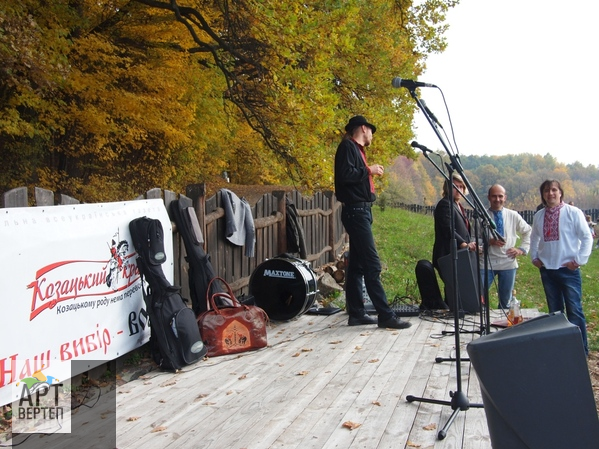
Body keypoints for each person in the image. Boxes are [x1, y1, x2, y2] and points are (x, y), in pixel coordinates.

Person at [334, 115, 411, 329]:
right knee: (372, 264)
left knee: (357, 266)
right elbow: (345, 175)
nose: (372, 137)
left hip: (361, 211)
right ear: (363, 128)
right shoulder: (348, 147)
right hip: (356, 211)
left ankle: (357, 313)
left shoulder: (356, 149)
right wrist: (370, 170)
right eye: (371, 132)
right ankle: (385, 315)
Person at [530, 180, 593, 355]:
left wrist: (579, 260)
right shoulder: (539, 216)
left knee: (575, 310)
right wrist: (534, 257)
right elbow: (534, 238)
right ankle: (559, 349)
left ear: (560, 193)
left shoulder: (573, 212)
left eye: (554, 190)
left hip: (568, 270)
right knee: (555, 312)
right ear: (542, 194)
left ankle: (580, 350)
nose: (550, 193)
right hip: (548, 270)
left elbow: (587, 237)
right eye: (546, 191)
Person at [479, 184, 532, 309]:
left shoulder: (513, 215)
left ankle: (503, 326)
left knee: (506, 302)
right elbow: (473, 239)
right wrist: (488, 242)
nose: (497, 199)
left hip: (508, 262)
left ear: (505, 197)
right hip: (486, 262)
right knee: (479, 297)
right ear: (489, 197)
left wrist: (521, 249)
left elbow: (528, 231)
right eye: (494, 196)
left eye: (500, 196)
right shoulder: (481, 217)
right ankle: (483, 325)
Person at [432, 173, 477, 306]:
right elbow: (448, 229)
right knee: (453, 290)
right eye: (454, 186)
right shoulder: (445, 204)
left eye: (461, 187)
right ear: (447, 188)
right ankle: (452, 315)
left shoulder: (459, 206)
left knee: (459, 291)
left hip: (460, 255)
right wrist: (463, 244)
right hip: (448, 254)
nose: (458, 190)